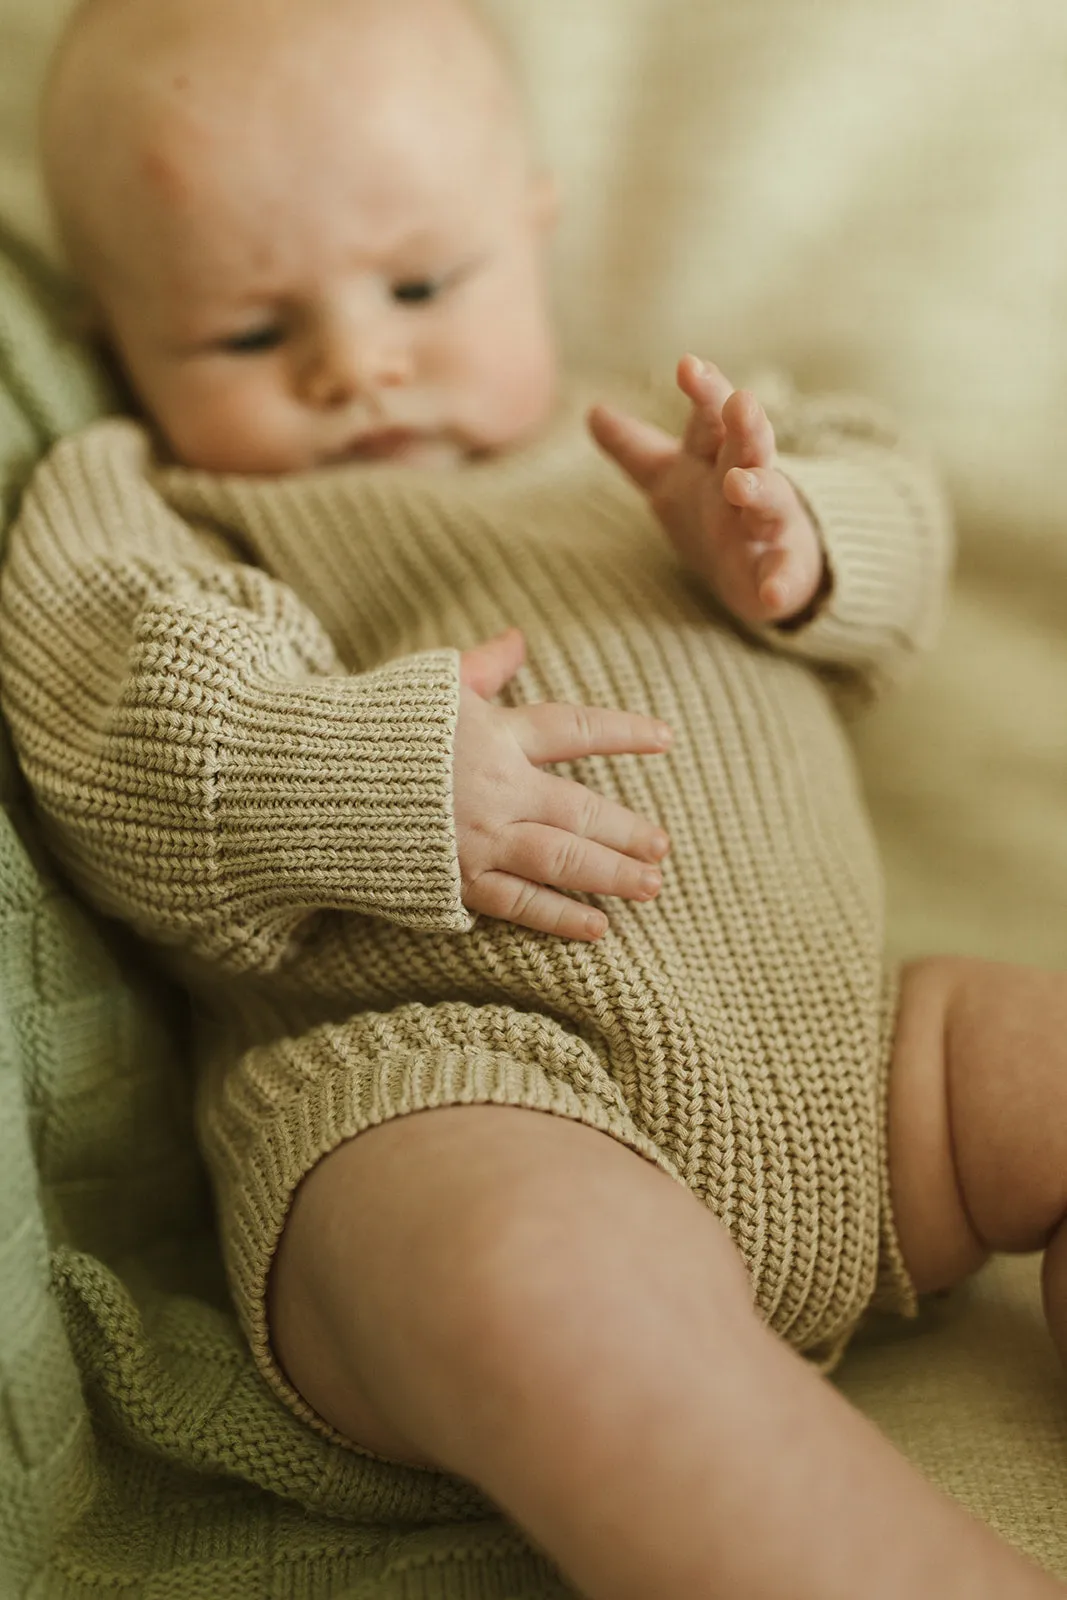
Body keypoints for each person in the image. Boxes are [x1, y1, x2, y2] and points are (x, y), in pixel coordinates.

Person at [3, 0, 1067, 1594]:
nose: (359, 361)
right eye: (243, 332)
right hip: (455, 1088)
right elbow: (118, 737)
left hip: (864, 1066)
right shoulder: (152, 504)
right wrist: (369, 768)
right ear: (114, 331)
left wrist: (794, 544)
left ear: (532, 222)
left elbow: (893, 523)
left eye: (421, 284)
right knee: (537, 1282)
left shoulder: (663, 445)